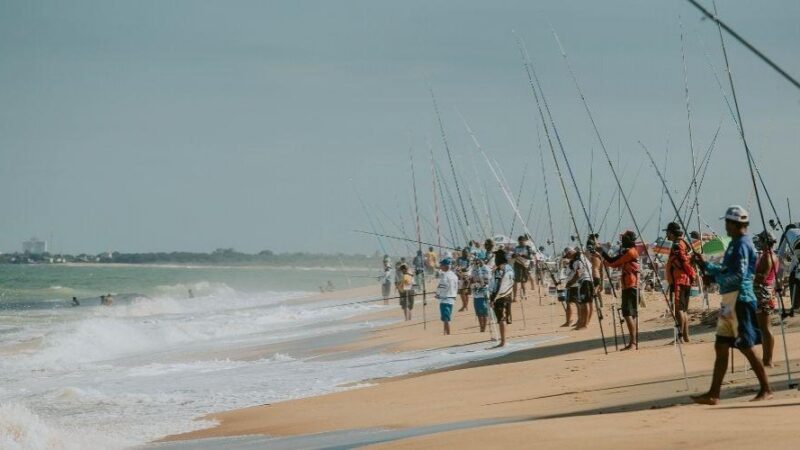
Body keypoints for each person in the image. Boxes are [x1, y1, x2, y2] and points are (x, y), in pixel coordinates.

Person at [691, 205, 772, 404]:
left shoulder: (742, 245)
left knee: (746, 345)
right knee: (721, 345)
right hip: (729, 300)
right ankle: (714, 393)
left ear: (735, 224)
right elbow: (727, 268)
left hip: (740, 300)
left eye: (727, 222)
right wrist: (707, 266)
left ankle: (766, 388)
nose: (725, 227)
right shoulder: (735, 244)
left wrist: (714, 275)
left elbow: (739, 275)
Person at [601, 230, 640, 350]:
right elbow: (614, 261)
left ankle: (633, 343)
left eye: (623, 239)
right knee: (631, 314)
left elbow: (613, 262)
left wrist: (602, 253)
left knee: (627, 313)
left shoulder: (630, 252)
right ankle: (633, 342)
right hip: (631, 285)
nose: (621, 241)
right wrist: (604, 257)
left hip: (630, 285)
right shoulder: (630, 251)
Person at [664, 222, 696, 343]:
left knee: (679, 310)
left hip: (680, 279)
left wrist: (691, 275)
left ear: (671, 233)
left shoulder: (677, 245)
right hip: (684, 280)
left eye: (667, 232)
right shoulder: (683, 243)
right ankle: (686, 337)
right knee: (683, 310)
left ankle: (680, 337)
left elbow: (684, 262)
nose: (666, 234)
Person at [754, 230, 779, 367]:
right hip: (766, 291)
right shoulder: (769, 255)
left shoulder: (767, 256)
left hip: (763, 292)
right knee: (763, 327)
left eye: (760, 240)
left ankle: (768, 361)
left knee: (765, 327)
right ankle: (766, 359)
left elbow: (761, 277)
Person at [564, 247, 593, 330]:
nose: (568, 258)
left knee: (585, 303)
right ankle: (582, 323)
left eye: (568, 255)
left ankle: (584, 324)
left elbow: (578, 273)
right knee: (585, 303)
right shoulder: (581, 257)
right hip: (586, 281)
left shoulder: (578, 259)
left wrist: (570, 283)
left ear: (571, 253)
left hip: (585, 281)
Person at [490, 249, 515, 347]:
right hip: (508, 294)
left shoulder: (500, 269)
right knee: (503, 318)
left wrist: (492, 298)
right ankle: (504, 340)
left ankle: (503, 341)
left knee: (501, 319)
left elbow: (498, 284)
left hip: (500, 296)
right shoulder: (510, 268)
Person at [436, 258, 459, 335]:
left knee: (446, 318)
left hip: (445, 298)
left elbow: (443, 285)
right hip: (451, 298)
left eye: (441, 265)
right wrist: (454, 295)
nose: (440, 266)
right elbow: (456, 287)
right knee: (446, 317)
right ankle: (445, 332)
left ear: (445, 266)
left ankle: (448, 334)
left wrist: (438, 294)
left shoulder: (444, 275)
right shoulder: (454, 275)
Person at [470, 256, 492, 333]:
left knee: (484, 312)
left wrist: (479, 279)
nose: (477, 262)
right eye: (476, 261)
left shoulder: (486, 268)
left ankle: (484, 327)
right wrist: (474, 280)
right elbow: (472, 279)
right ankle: (481, 327)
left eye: (479, 260)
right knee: (478, 312)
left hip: (484, 293)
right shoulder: (474, 269)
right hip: (476, 293)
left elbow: (487, 280)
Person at [586, 235, 603, 321]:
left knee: (593, 296)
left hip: (589, 276)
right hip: (596, 275)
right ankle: (600, 309)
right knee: (596, 292)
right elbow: (602, 270)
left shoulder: (586, 254)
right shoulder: (598, 255)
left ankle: (599, 309)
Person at [512, 235, 534, 302]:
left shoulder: (528, 248)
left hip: (525, 265)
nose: (521, 243)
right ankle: (515, 296)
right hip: (517, 264)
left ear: (525, 241)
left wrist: (522, 255)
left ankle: (524, 295)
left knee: (523, 281)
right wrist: (515, 255)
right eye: (519, 242)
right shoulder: (516, 248)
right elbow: (512, 255)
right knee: (515, 281)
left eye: (522, 242)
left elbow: (530, 257)